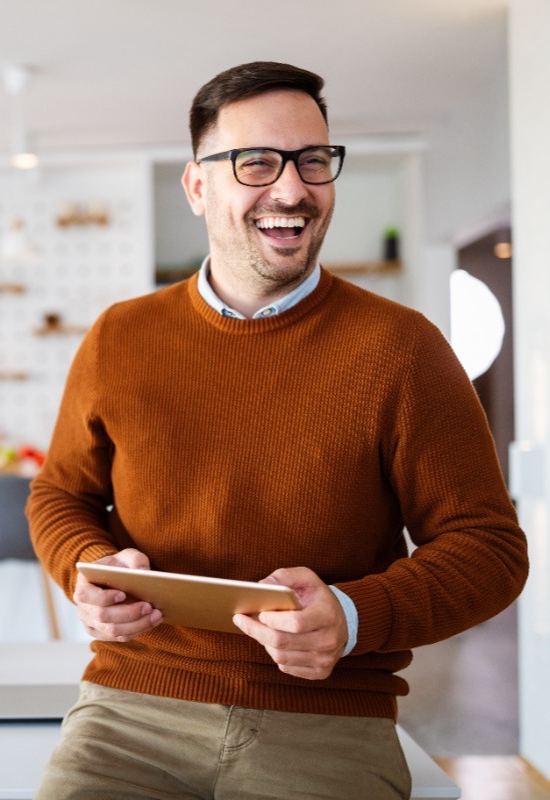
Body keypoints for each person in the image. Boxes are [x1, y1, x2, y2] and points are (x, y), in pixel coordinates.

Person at [26, 61, 529, 800]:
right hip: (129, 712)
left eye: (313, 161)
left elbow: (489, 549)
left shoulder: (403, 348)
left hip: (326, 721)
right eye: (256, 162)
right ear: (198, 186)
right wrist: (89, 566)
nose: (292, 190)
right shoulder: (118, 336)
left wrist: (352, 616)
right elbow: (59, 495)